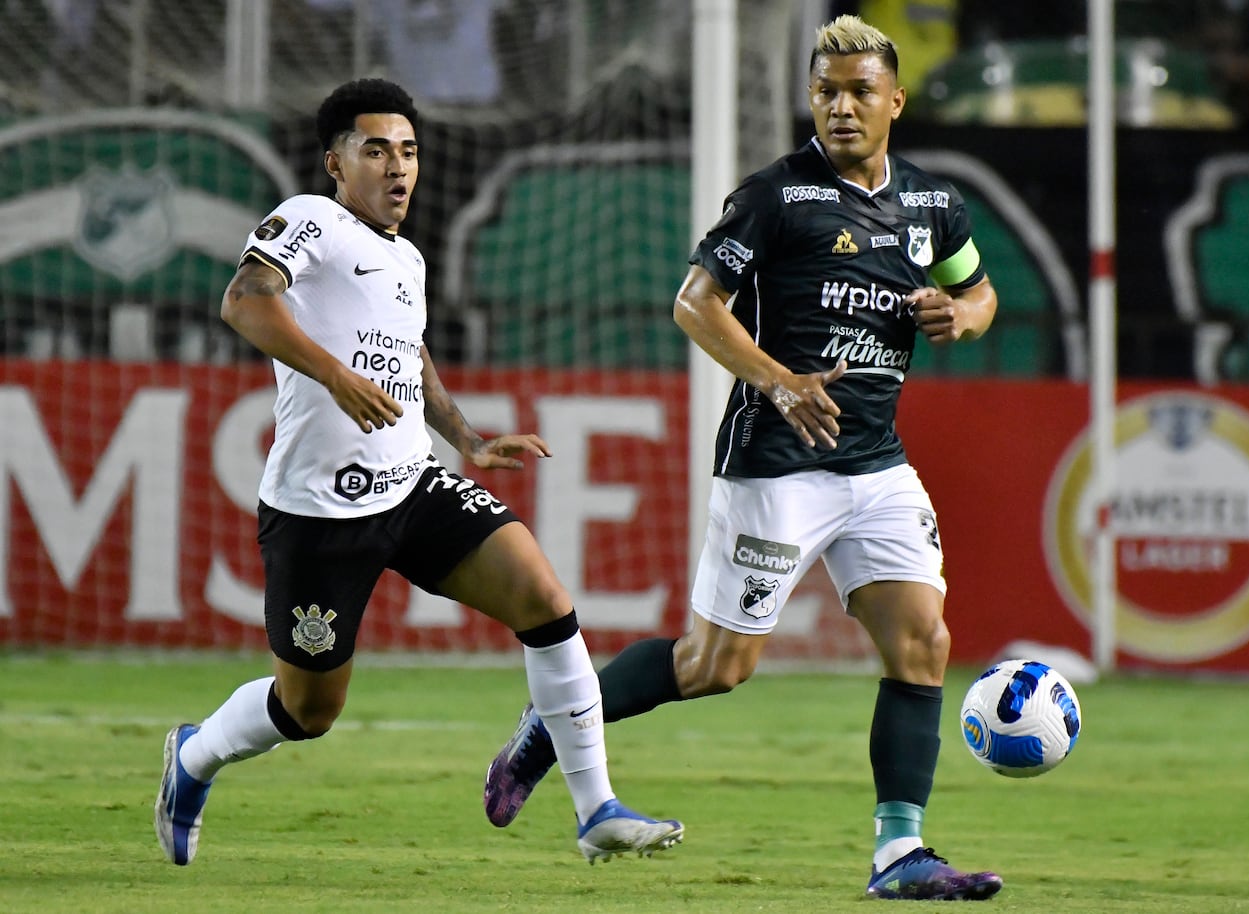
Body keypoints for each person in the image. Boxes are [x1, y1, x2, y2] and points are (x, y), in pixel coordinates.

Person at [483, 15, 1002, 901]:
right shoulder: (775, 197)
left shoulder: (931, 204)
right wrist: (777, 381)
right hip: (777, 464)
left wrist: (967, 316)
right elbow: (695, 304)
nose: (840, 107)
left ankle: (898, 854)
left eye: (859, 92)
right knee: (714, 667)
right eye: (826, 91)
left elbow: (978, 288)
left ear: (896, 102)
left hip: (876, 467)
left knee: (923, 644)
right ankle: (551, 725)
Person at [153, 77, 683, 868]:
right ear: (335, 161)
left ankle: (595, 806)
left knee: (545, 600)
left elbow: (409, 351)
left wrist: (464, 438)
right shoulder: (311, 220)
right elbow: (244, 300)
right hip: (320, 514)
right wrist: (333, 376)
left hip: (412, 483)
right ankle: (194, 757)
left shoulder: (407, 255)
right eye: (376, 151)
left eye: (408, 152)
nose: (397, 168)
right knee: (307, 710)